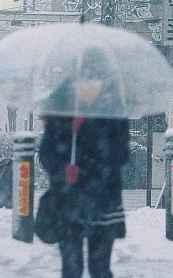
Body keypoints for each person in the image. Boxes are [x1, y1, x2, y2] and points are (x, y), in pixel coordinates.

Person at [38, 47, 130, 278]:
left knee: (100, 269)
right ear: (73, 81)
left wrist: (91, 132)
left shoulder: (113, 111)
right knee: (71, 268)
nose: (88, 86)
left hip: (103, 199)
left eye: (94, 80)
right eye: (82, 79)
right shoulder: (59, 107)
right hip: (67, 198)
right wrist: (63, 169)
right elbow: (46, 153)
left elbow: (121, 155)